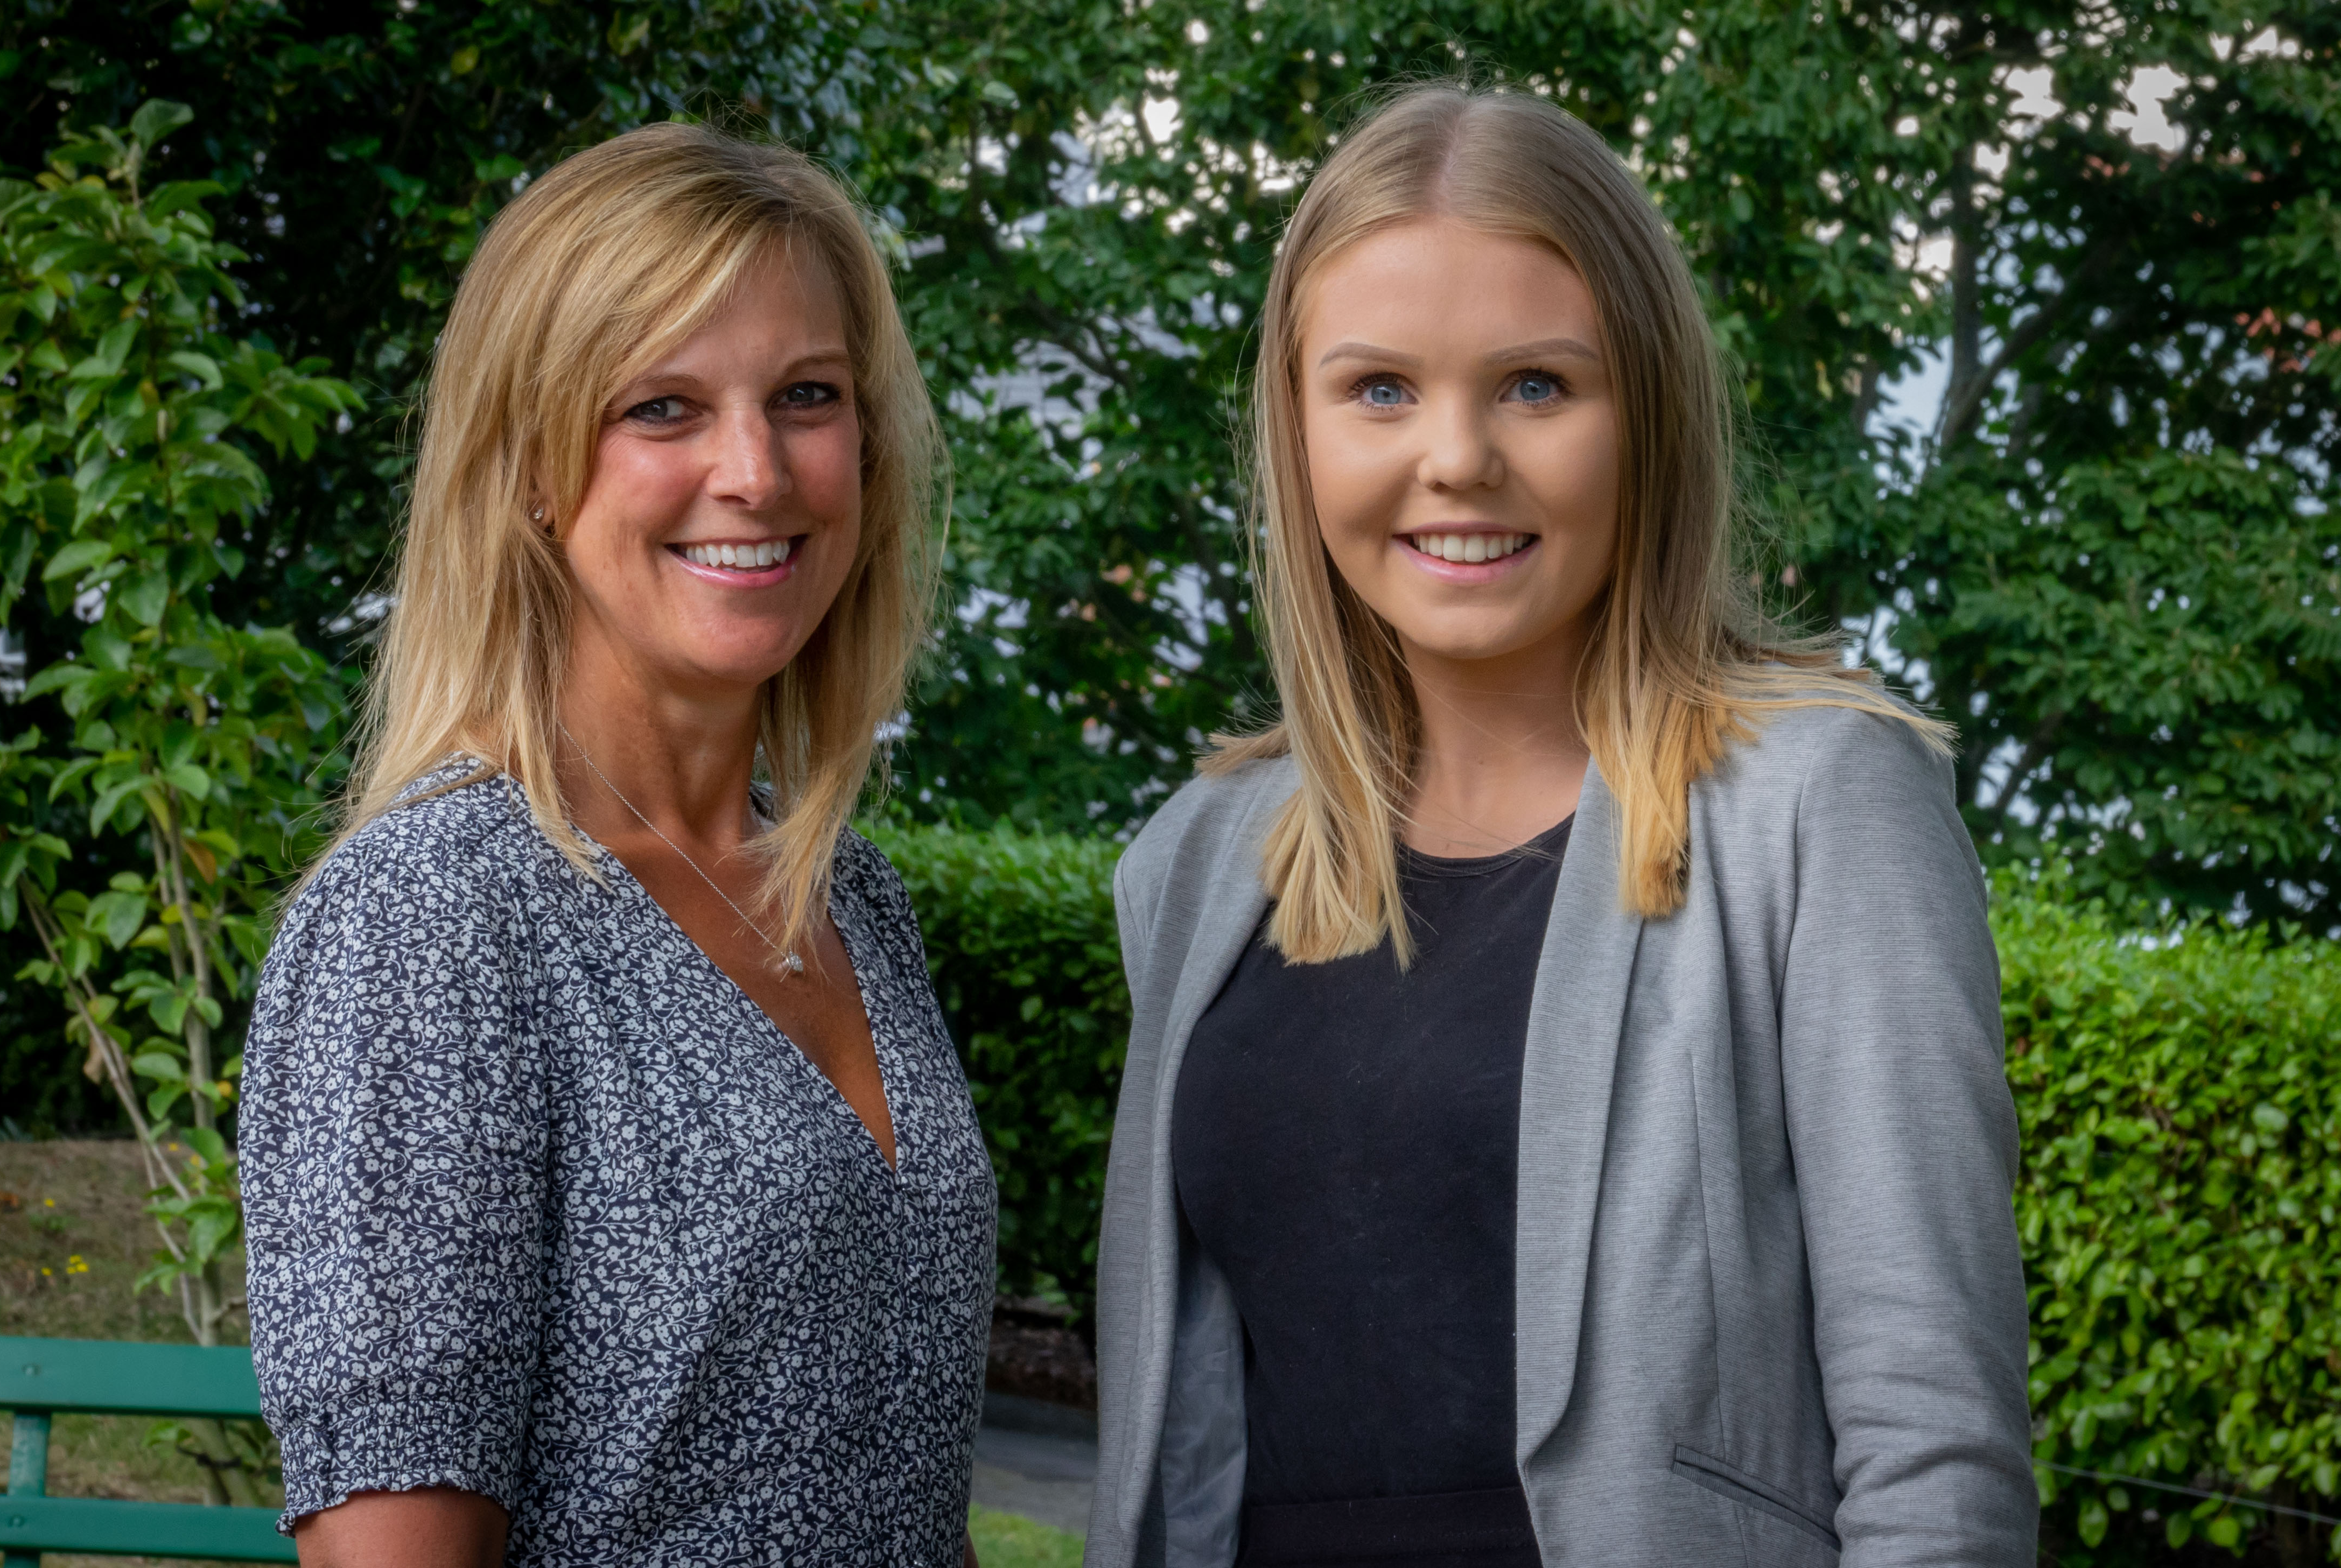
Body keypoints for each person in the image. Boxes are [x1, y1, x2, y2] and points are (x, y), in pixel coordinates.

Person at [1084, 85, 2035, 1568]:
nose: (1455, 456)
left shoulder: (1821, 805)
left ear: (1642, 410)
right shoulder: (1198, 856)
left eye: (1534, 384)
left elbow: (1938, 1457)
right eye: (1378, 388)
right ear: (1295, 427)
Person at [240, 123, 996, 1567]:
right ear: (529, 468)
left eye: (806, 397)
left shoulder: (855, 898)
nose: (755, 471)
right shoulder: (432, 917)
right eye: (662, 407)